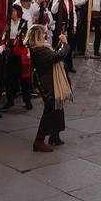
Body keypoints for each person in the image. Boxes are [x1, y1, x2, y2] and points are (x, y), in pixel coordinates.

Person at [28, 24, 70, 152]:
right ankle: (39, 140)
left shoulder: (41, 48)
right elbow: (57, 56)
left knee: (58, 106)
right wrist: (65, 44)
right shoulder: (38, 50)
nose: (45, 36)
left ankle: (55, 134)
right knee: (50, 109)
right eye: (42, 34)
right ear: (37, 36)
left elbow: (53, 54)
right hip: (48, 81)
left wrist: (59, 45)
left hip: (51, 79)